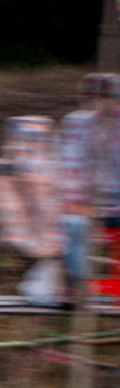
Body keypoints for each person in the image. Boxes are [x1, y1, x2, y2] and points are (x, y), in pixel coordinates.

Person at [0, 115, 67, 305]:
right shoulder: (6, 169)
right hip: (33, 229)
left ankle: (50, 286)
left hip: (47, 230)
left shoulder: (49, 166)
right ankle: (47, 286)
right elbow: (8, 206)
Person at [57, 72, 118, 290]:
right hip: (88, 206)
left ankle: (108, 289)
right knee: (76, 227)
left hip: (111, 206)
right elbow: (70, 166)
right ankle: (79, 288)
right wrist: (77, 202)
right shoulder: (78, 125)